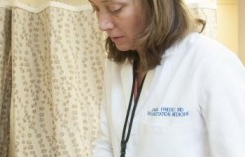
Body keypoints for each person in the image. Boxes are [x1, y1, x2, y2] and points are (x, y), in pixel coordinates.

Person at [89, 0, 245, 157]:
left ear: (155, 6)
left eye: (116, 9)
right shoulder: (116, 64)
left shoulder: (212, 63)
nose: (102, 24)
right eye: (96, 9)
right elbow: (106, 143)